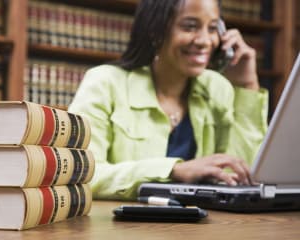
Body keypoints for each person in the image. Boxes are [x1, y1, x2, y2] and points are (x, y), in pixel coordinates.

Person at [68, 0, 268, 200]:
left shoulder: (217, 89)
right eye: (190, 26)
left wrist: (247, 87)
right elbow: (80, 173)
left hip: (201, 226)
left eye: (213, 28)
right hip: (123, 226)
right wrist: (173, 170)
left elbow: (242, 175)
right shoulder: (104, 83)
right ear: (155, 30)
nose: (205, 40)